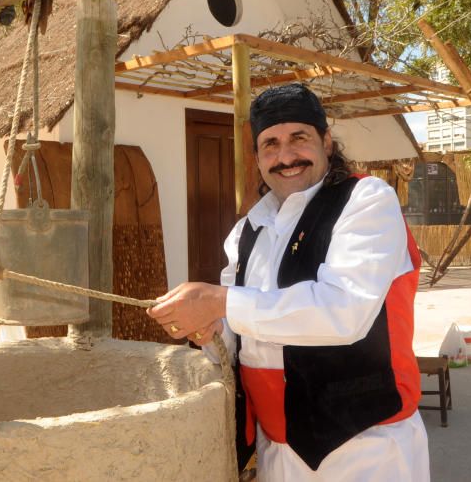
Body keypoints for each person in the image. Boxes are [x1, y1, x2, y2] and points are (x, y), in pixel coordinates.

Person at [147, 83, 429, 481]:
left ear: (327, 143)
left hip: (366, 448)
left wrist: (220, 302)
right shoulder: (248, 230)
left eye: (299, 139)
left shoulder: (365, 201)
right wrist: (208, 331)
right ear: (258, 158)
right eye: (270, 145)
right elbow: (239, 337)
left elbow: (343, 311)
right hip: (276, 449)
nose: (285, 157)